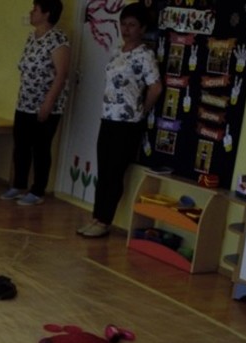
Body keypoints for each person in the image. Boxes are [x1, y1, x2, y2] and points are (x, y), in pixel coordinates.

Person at [79, 3, 162, 238]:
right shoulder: (118, 51)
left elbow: (156, 87)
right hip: (108, 118)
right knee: (104, 171)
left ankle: (105, 221)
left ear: (142, 28)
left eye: (132, 25)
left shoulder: (145, 55)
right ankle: (96, 217)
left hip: (127, 123)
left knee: (115, 173)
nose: (126, 29)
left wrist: (142, 110)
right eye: (123, 24)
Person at [1, 0, 71, 207]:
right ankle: (18, 184)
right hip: (25, 102)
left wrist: (48, 103)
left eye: (36, 9)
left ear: (46, 14)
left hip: (46, 105)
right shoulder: (32, 36)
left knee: (41, 148)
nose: (31, 12)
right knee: (21, 145)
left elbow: (61, 75)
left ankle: (38, 190)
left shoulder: (58, 39)